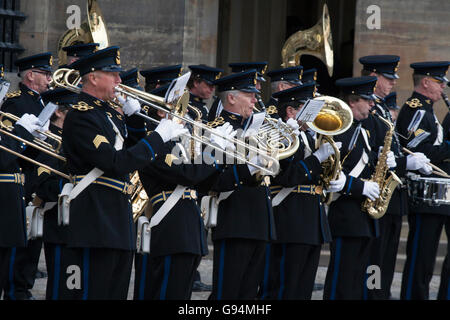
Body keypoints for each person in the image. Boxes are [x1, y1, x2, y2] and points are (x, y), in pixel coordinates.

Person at [59, 46, 188, 299]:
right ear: (93, 77)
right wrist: (160, 136)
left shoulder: (108, 114)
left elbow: (135, 153)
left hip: (117, 219)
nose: (120, 81)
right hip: (94, 219)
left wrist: (137, 118)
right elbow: (116, 162)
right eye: (113, 74)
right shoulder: (81, 115)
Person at [260, 82, 344, 299]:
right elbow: (287, 176)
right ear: (291, 110)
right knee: (282, 288)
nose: (315, 117)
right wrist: (317, 159)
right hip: (289, 219)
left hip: (310, 221)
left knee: (302, 289)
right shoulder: (278, 134)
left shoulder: (307, 136)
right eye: (310, 110)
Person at [359, 55, 432, 299]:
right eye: (387, 78)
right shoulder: (369, 111)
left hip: (391, 199)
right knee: (375, 260)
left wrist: (403, 162)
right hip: (376, 195)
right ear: (372, 77)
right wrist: (404, 163)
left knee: (386, 260)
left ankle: (380, 295)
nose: (392, 84)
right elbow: (369, 156)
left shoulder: (379, 108)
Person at [323, 76, 396, 300]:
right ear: (353, 102)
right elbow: (332, 173)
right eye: (367, 100)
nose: (373, 104)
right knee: (341, 281)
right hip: (345, 216)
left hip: (362, 216)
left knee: (356, 281)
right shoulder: (339, 129)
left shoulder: (362, 130)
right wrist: (359, 187)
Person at [208, 70, 277, 300]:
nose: (256, 100)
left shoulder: (256, 126)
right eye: (250, 94)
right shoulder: (216, 128)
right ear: (231, 98)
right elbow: (213, 180)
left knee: (248, 295)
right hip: (234, 220)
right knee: (227, 294)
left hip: (259, 219)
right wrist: (247, 168)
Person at [396, 61, 450, 300]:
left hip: (437, 196)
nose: (443, 88)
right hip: (425, 196)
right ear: (426, 82)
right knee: (421, 259)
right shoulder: (416, 109)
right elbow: (416, 151)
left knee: (426, 259)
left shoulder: (427, 110)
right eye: (440, 83)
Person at [2, 52, 53, 300]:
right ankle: (15, 290)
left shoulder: (44, 102)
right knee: (15, 247)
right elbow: (7, 149)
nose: (50, 79)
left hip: (35, 180)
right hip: (20, 180)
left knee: (30, 243)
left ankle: (23, 289)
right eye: (45, 74)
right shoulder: (15, 101)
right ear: (31, 75)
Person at [32, 88, 76, 300]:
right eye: (72, 112)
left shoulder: (73, 140)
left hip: (79, 224)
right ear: (58, 112)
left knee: (75, 286)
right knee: (62, 287)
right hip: (59, 224)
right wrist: (71, 186)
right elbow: (42, 185)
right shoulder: (49, 141)